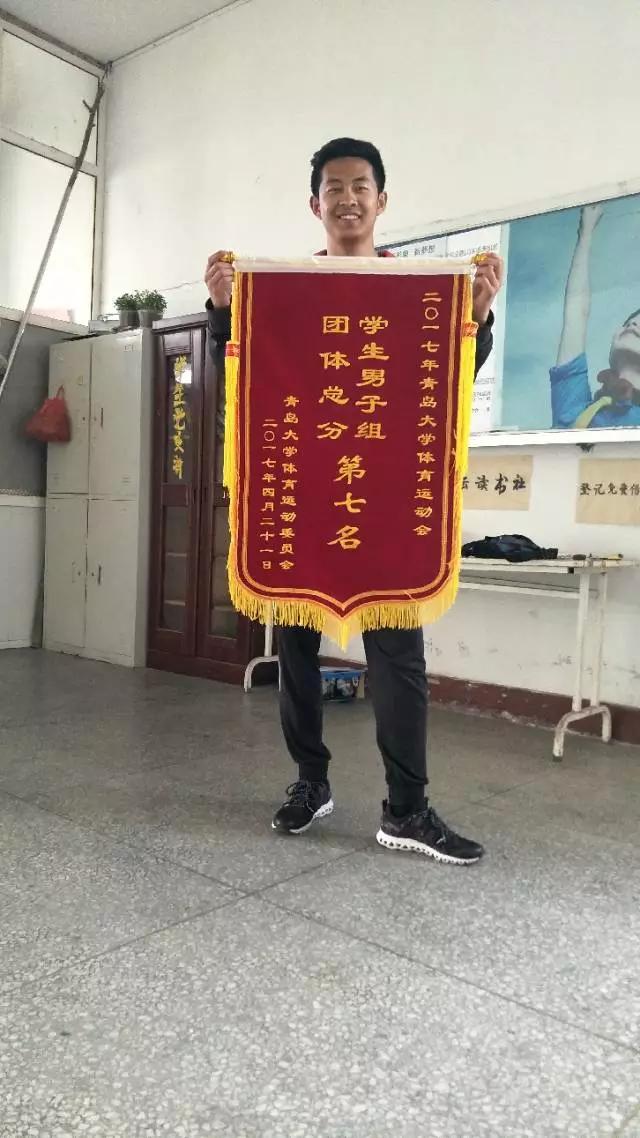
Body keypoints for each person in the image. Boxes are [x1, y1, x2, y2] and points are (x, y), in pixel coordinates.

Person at [205, 138, 504, 864]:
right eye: (334, 187)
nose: (348, 198)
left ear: (381, 200)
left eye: (360, 186)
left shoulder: (418, 290)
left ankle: (407, 808)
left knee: (398, 658)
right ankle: (310, 781)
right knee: (296, 650)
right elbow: (246, 380)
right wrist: (222, 313)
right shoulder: (287, 290)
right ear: (316, 204)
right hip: (304, 497)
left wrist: (478, 317)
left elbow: (444, 384)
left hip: (388, 504)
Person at [551, 202, 640, 428]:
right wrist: (586, 234)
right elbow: (576, 312)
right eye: (630, 321)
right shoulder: (574, 406)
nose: (635, 324)